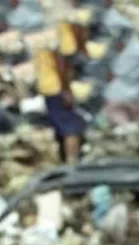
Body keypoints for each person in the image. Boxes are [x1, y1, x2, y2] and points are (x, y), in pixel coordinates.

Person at [30, 17, 88, 163]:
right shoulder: (67, 30)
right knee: (71, 127)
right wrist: (66, 90)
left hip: (47, 87)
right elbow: (62, 62)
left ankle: (63, 159)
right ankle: (71, 161)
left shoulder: (47, 32)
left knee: (60, 125)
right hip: (57, 88)